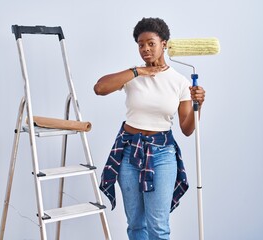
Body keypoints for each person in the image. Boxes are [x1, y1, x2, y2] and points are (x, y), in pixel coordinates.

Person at [94, 17, 206, 240]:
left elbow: (187, 128)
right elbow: (100, 88)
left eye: (151, 43)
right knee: (136, 224)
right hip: (129, 152)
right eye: (140, 44)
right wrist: (137, 72)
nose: (145, 49)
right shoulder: (132, 75)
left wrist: (198, 105)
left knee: (158, 226)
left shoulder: (180, 82)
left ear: (164, 43)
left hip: (162, 154)